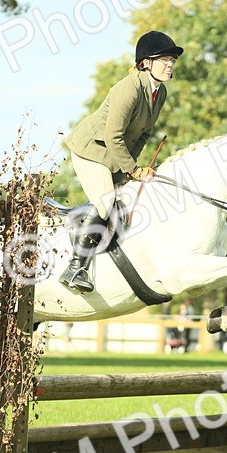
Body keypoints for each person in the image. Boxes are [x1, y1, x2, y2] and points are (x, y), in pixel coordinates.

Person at [60, 31, 183, 293]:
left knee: (124, 202)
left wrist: (132, 169)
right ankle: (74, 268)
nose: (170, 65)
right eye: (164, 60)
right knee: (105, 203)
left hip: (112, 154)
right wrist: (133, 169)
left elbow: (144, 134)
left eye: (172, 60)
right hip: (91, 150)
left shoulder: (159, 93)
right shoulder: (129, 88)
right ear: (146, 63)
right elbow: (112, 135)